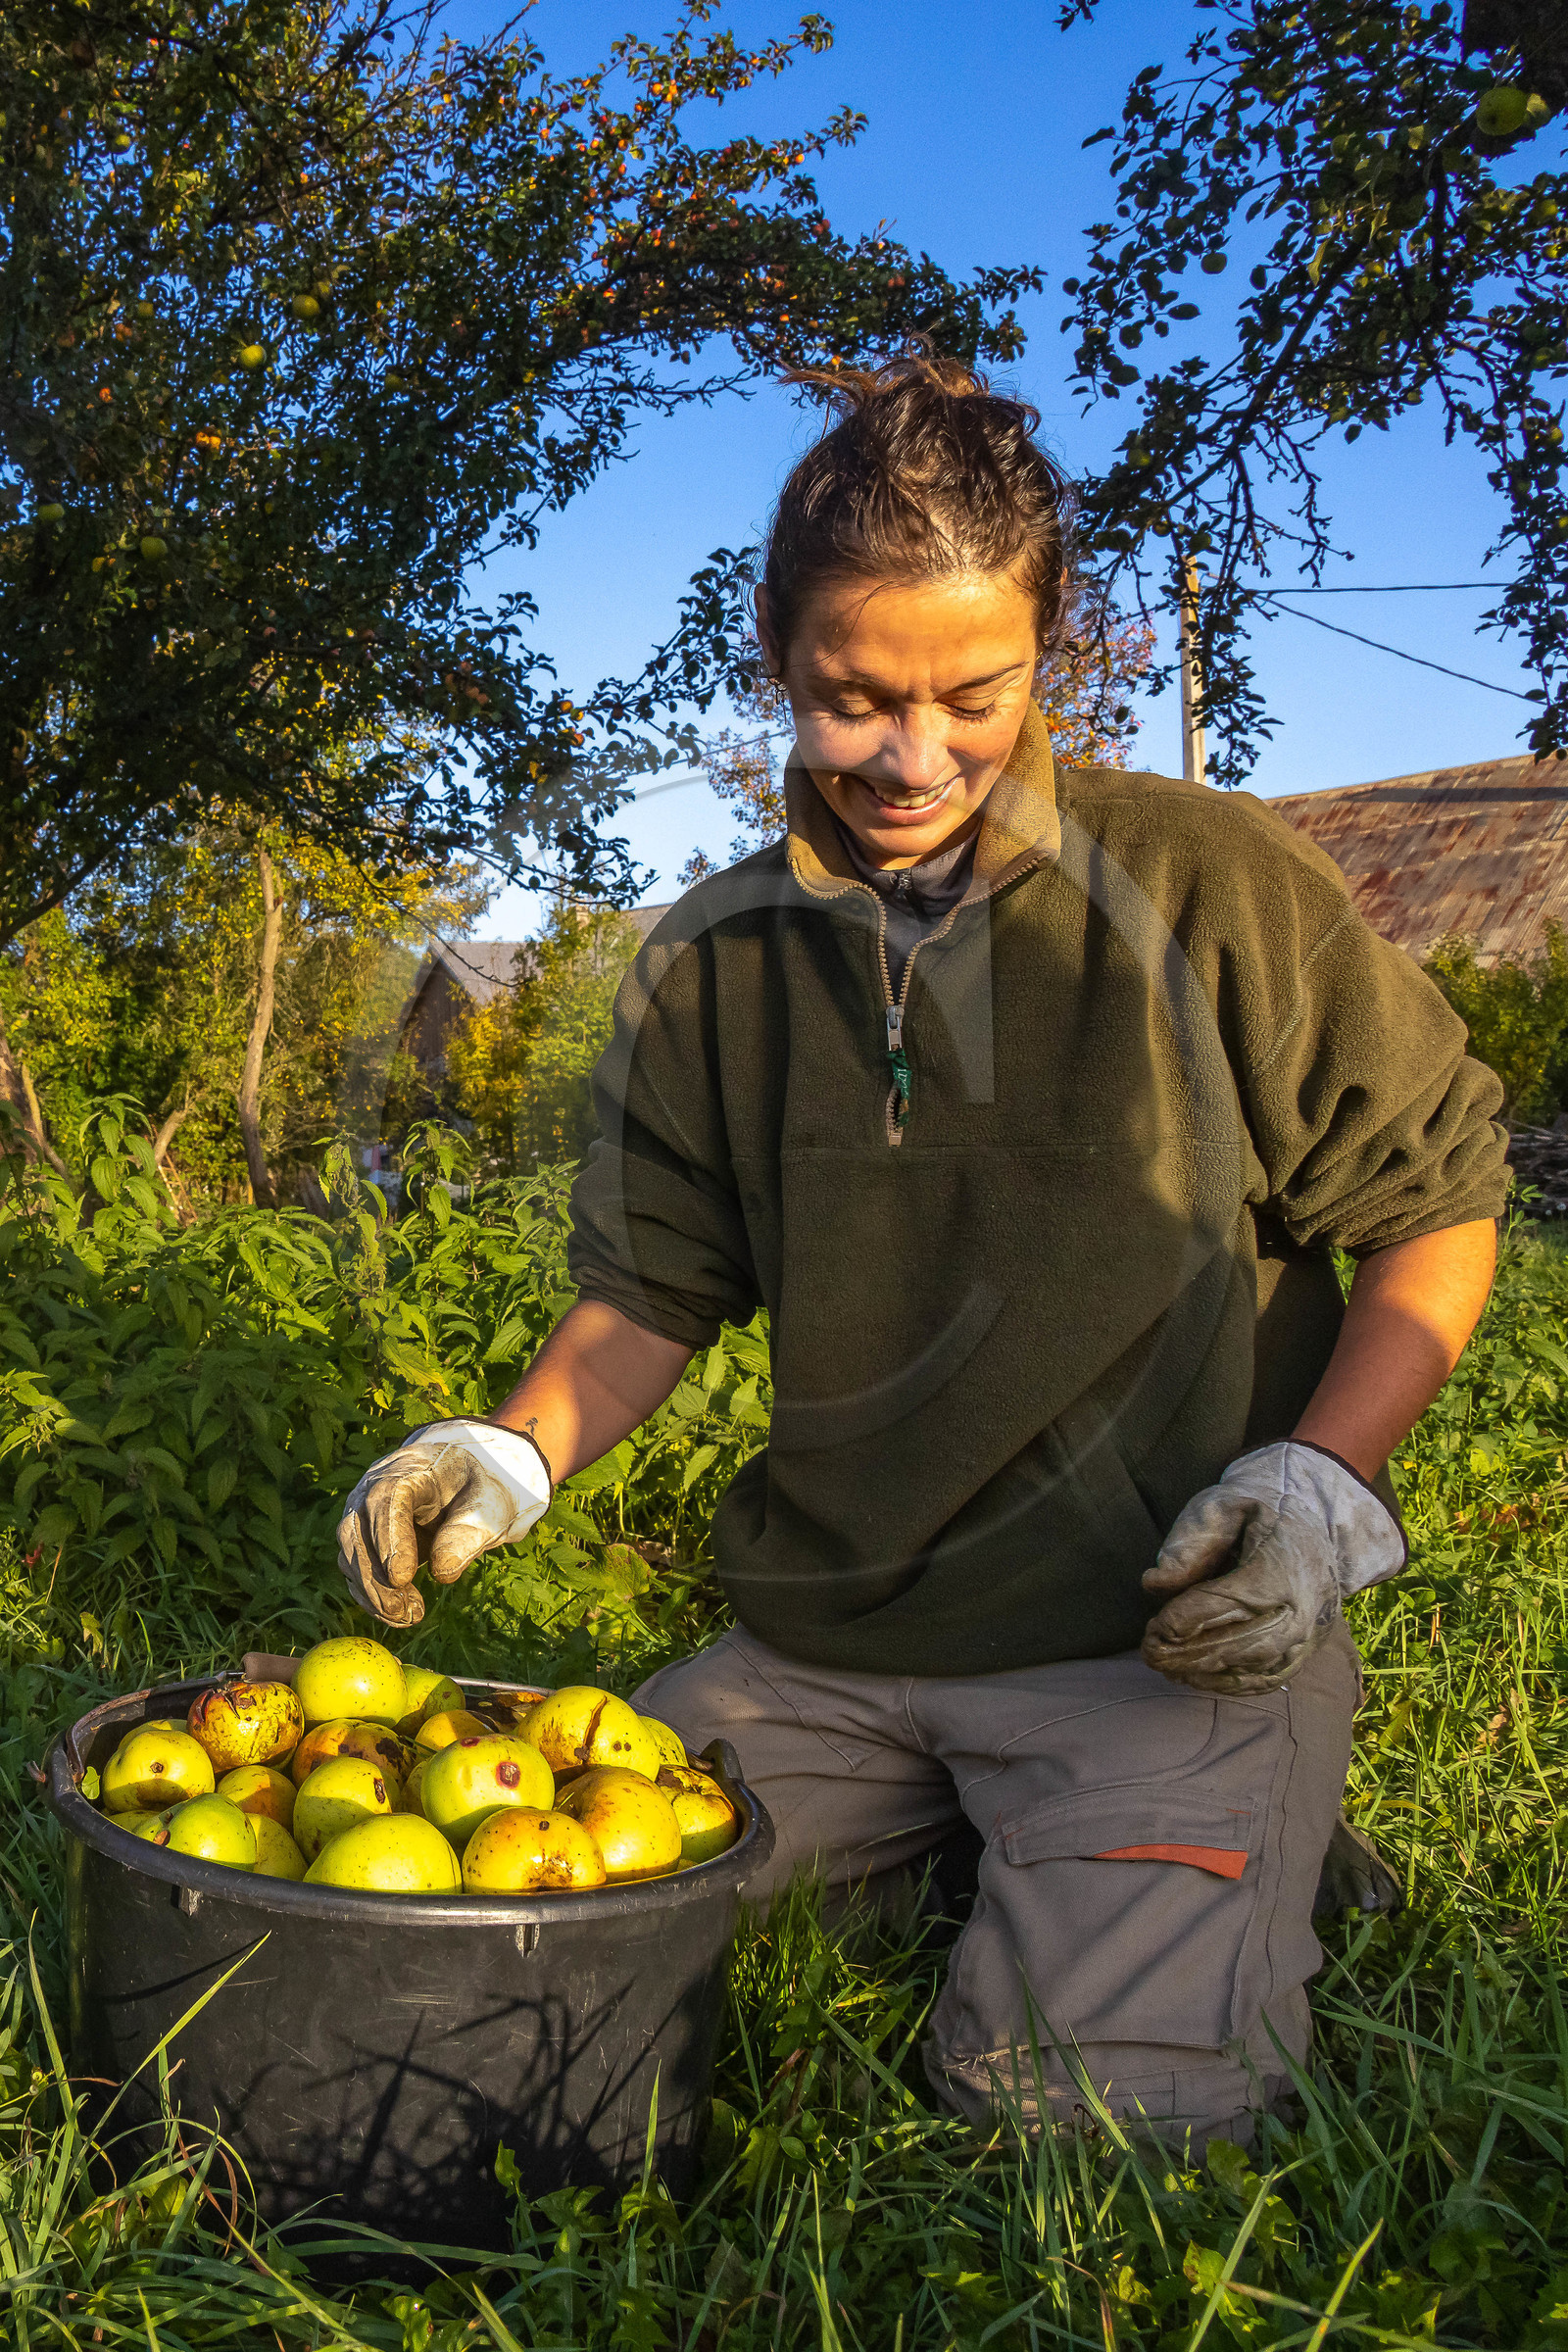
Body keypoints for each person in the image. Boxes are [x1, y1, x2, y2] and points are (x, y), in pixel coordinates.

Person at [337, 355, 1505, 2150]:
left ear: (1051, 646)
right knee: (510, 1955)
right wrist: (507, 1445)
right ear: (777, 657)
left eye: (976, 693)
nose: (913, 757)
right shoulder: (716, 956)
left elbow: (1433, 1203)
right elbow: (654, 1287)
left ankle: (1220, 1817)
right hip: (828, 1641)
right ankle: (992, 1831)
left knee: (1071, 2127)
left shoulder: (1214, 883)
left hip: (1158, 1640)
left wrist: (1323, 1482)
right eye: (852, 698)